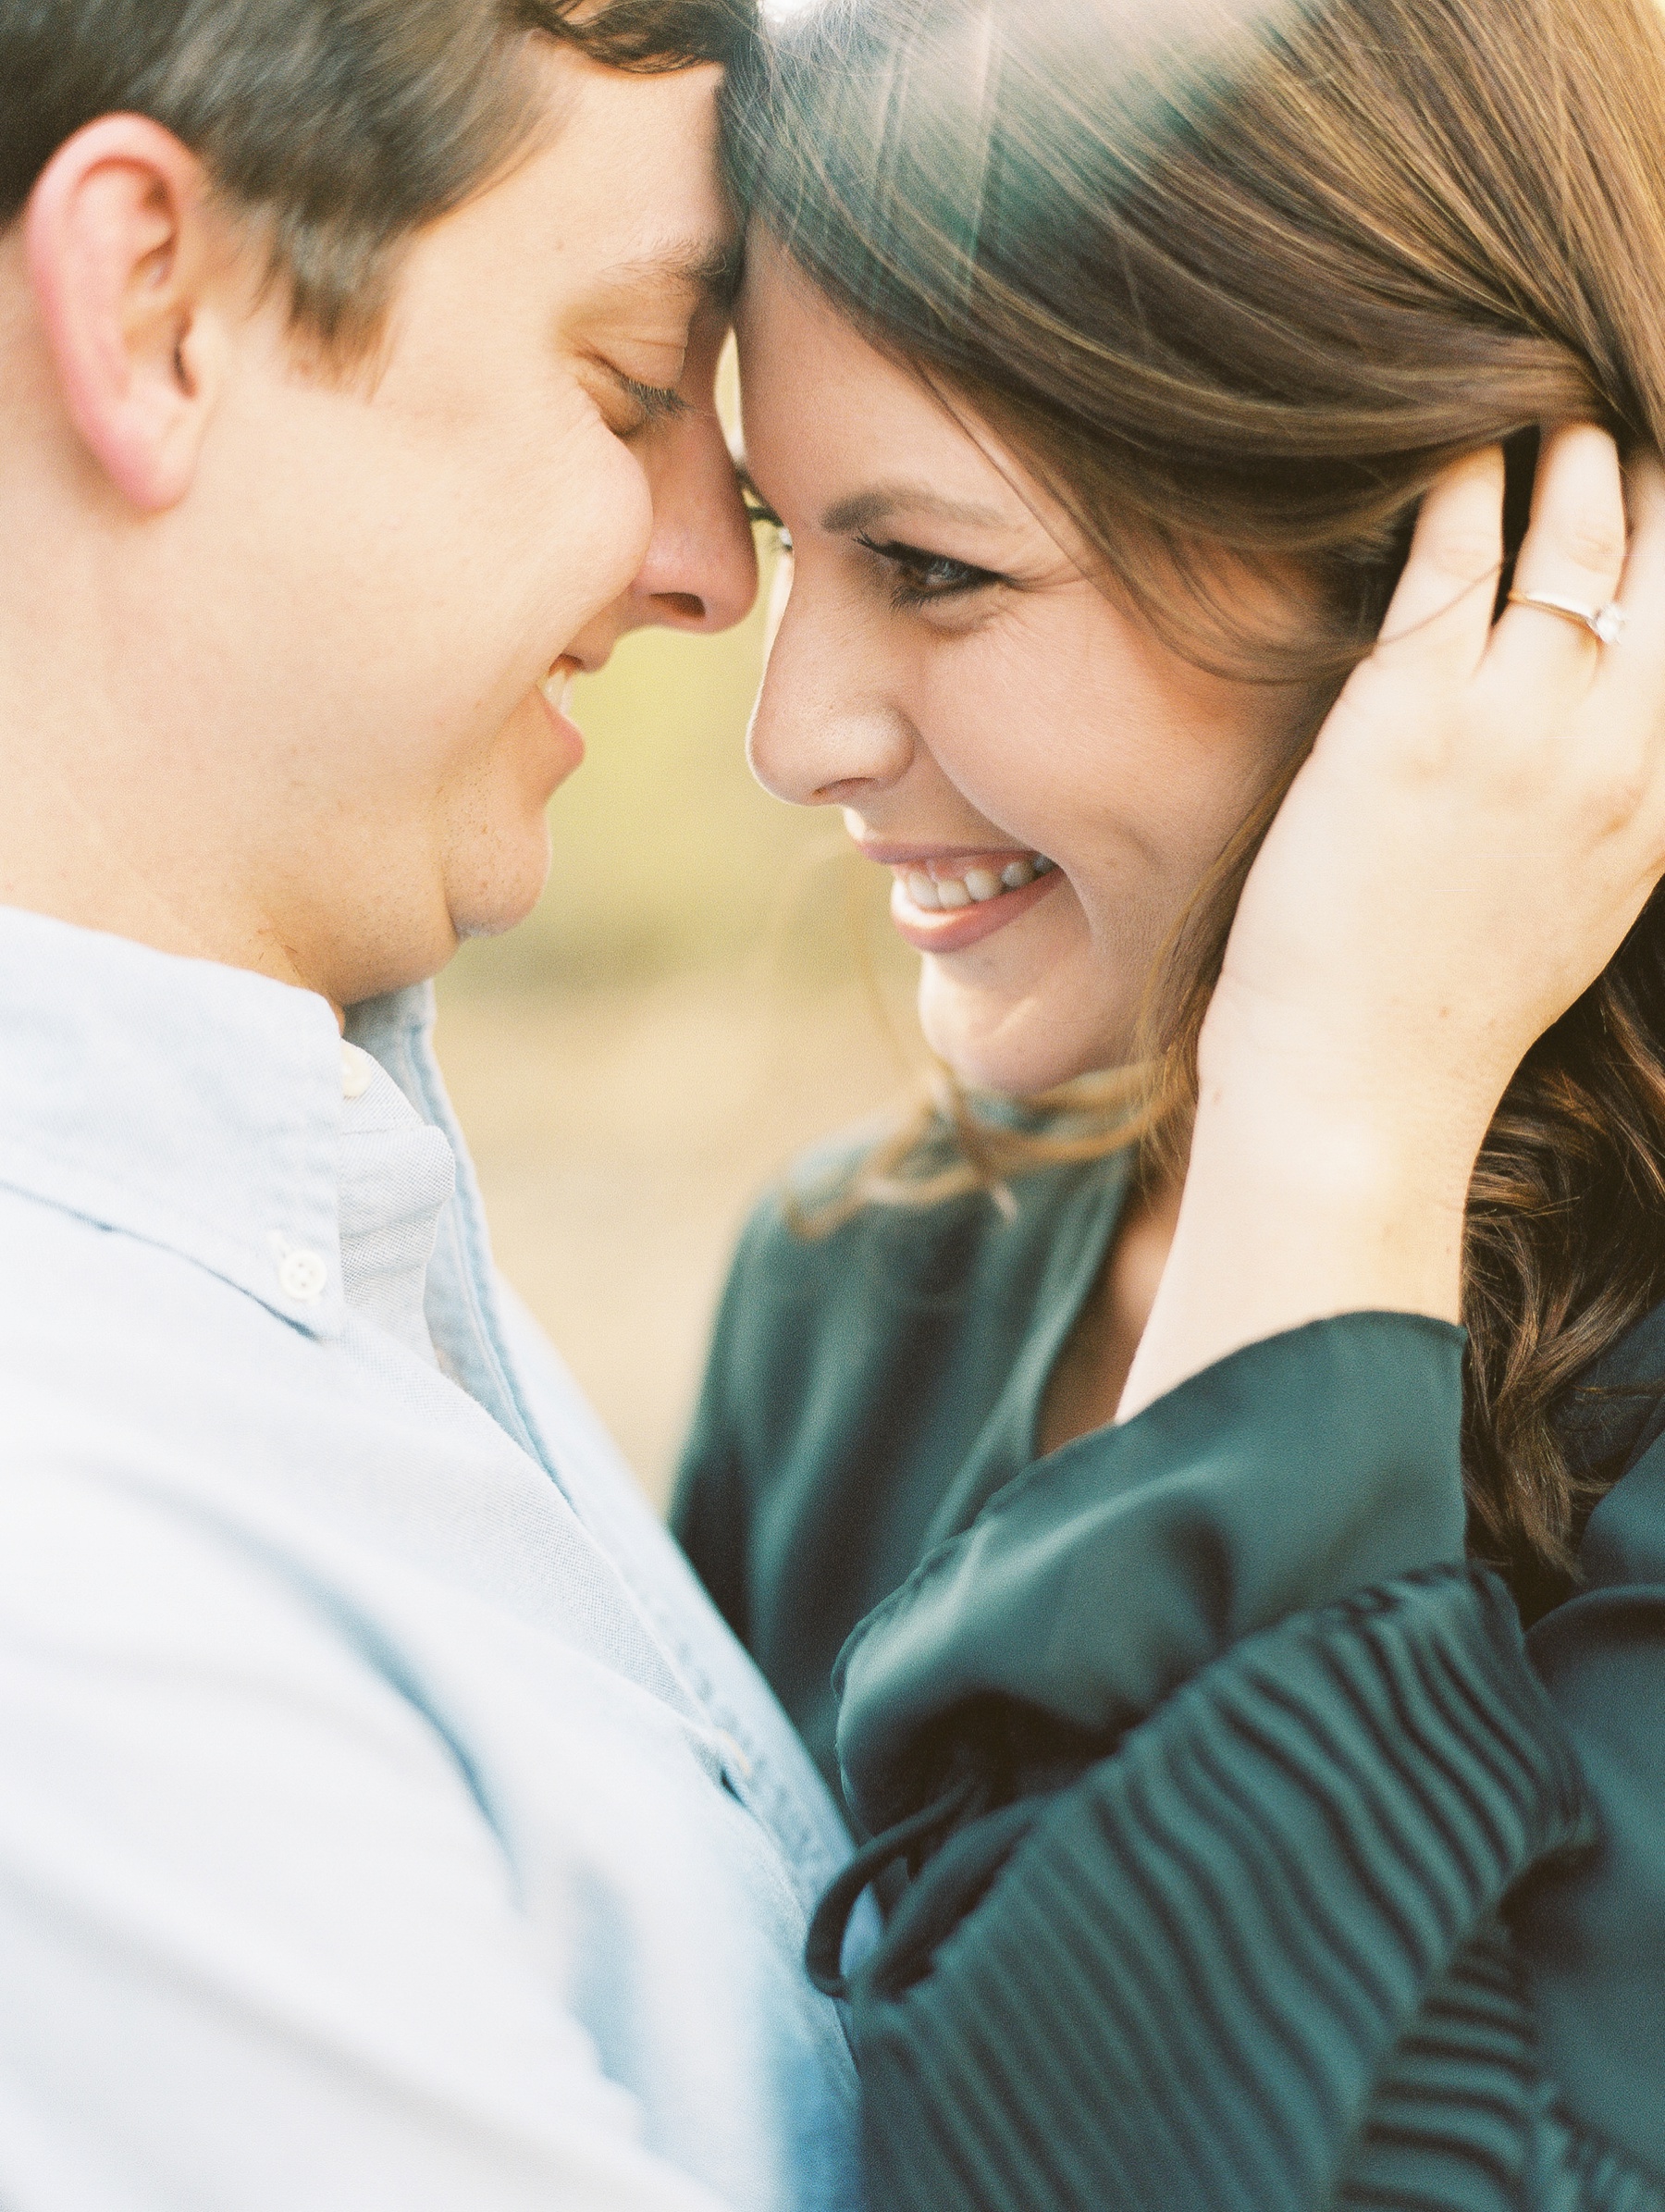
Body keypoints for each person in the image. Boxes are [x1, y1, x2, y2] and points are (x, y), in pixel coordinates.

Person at [673, 0, 1665, 2201]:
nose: (799, 730)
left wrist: (1332, 1127)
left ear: (1456, 558)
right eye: (780, 536)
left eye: (934, 567)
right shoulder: (856, 1295)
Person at [0, 4, 873, 2206]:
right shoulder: (70, 1603)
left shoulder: (296, 1214)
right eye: (625, 387)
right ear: (154, 310)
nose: (718, 563)